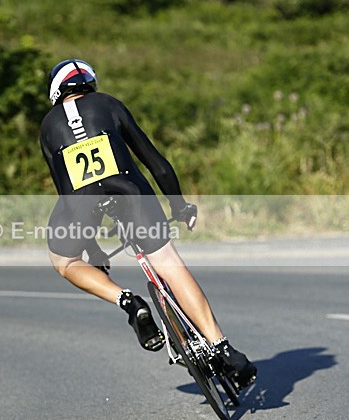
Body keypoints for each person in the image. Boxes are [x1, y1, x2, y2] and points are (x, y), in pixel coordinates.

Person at [40, 59, 256, 389]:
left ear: (56, 91)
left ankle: (128, 302)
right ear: (90, 84)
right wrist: (179, 205)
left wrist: (93, 247)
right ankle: (223, 348)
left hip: (81, 204)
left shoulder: (48, 125)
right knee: (168, 263)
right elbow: (155, 162)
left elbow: (65, 191)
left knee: (64, 262)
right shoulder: (108, 104)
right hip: (130, 192)